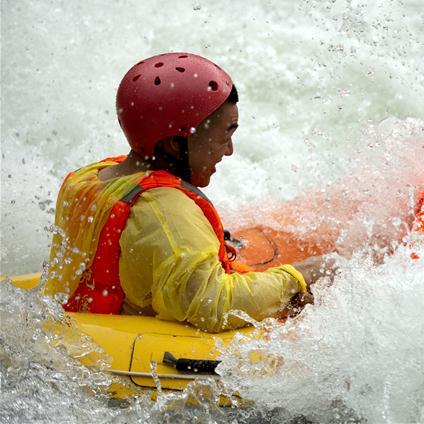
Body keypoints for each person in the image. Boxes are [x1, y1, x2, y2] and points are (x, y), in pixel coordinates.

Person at [42, 53, 334, 332]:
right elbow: (215, 306)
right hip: (135, 356)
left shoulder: (90, 177)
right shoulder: (166, 211)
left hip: (90, 317)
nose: (229, 150)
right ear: (172, 145)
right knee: (319, 268)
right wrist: (299, 276)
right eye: (224, 135)